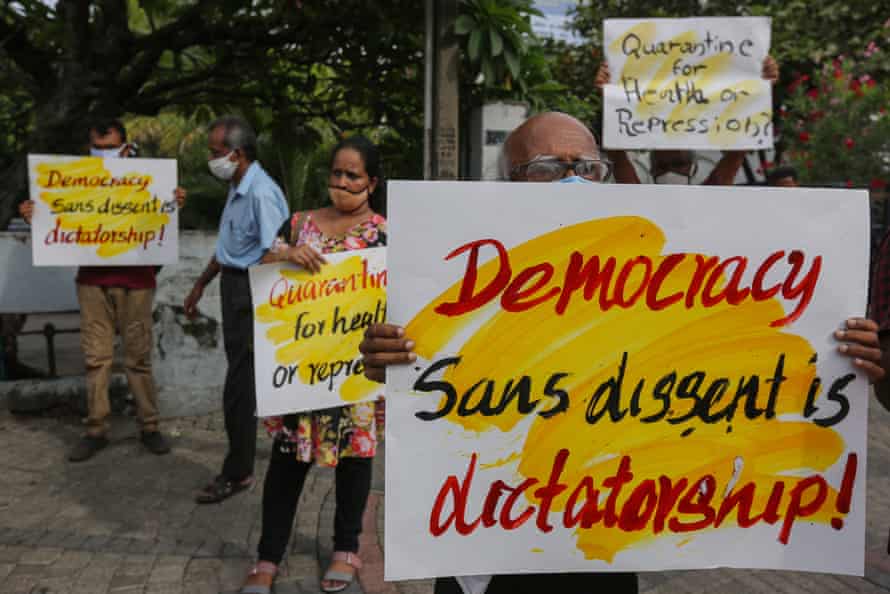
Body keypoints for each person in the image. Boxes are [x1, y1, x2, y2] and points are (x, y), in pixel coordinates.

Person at [358, 111, 887, 594]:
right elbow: (419, 371)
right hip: (483, 550)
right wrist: (387, 361)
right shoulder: (459, 271)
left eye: (587, 166)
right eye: (545, 166)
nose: (572, 179)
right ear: (507, 181)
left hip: (599, 547)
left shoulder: (656, 278)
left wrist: (842, 350)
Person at [238, 136, 386, 594]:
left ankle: (346, 551)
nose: (341, 183)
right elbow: (260, 268)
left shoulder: (385, 234)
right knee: (286, 464)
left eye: (352, 176)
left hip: (354, 373)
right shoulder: (299, 224)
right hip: (300, 372)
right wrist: (284, 254)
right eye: (336, 173)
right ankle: (267, 558)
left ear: (371, 182)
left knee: (354, 462)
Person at [18, 118, 185, 461]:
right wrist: (34, 214)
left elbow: (160, 224)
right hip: (92, 282)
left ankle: (149, 426)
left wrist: (173, 203)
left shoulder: (149, 182)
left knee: (138, 358)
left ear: (126, 147)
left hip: (137, 282)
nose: (105, 153)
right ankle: (96, 429)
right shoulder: (71, 182)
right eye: (99, 147)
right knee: (97, 359)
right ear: (89, 147)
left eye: (111, 147)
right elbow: (54, 219)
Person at [185, 116, 289, 504]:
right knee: (241, 382)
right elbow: (231, 246)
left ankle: (238, 471)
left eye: (216, 152)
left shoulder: (261, 193)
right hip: (233, 282)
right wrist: (201, 281)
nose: (212, 159)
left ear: (237, 153)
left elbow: (277, 249)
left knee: (240, 388)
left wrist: (252, 293)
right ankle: (241, 464)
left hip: (251, 289)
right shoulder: (238, 185)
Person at [595, 57, 779, 186]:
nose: (670, 173)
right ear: (650, 169)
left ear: (693, 166)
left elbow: (732, 161)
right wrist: (612, 99)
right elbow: (619, 162)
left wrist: (758, 91)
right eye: (661, 167)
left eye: (678, 164)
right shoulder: (641, 203)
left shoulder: (707, 202)